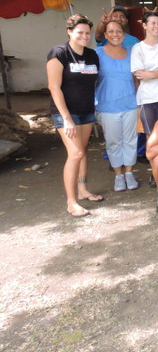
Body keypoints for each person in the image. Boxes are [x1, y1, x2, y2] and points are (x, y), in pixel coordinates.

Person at [46, 14, 101, 217]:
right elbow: (54, 87)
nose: (85, 36)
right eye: (80, 32)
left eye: (87, 33)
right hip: (65, 113)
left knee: (82, 151)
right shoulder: (59, 53)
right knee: (75, 153)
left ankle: (83, 189)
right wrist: (66, 118)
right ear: (69, 32)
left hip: (86, 111)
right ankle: (71, 202)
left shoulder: (92, 55)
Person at [95, 20, 139, 192]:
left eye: (118, 31)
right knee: (113, 142)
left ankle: (129, 172)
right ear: (105, 35)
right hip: (107, 105)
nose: (115, 34)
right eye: (111, 31)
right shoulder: (97, 53)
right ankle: (118, 175)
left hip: (130, 103)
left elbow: (136, 78)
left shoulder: (132, 52)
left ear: (124, 34)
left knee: (130, 140)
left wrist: (140, 101)